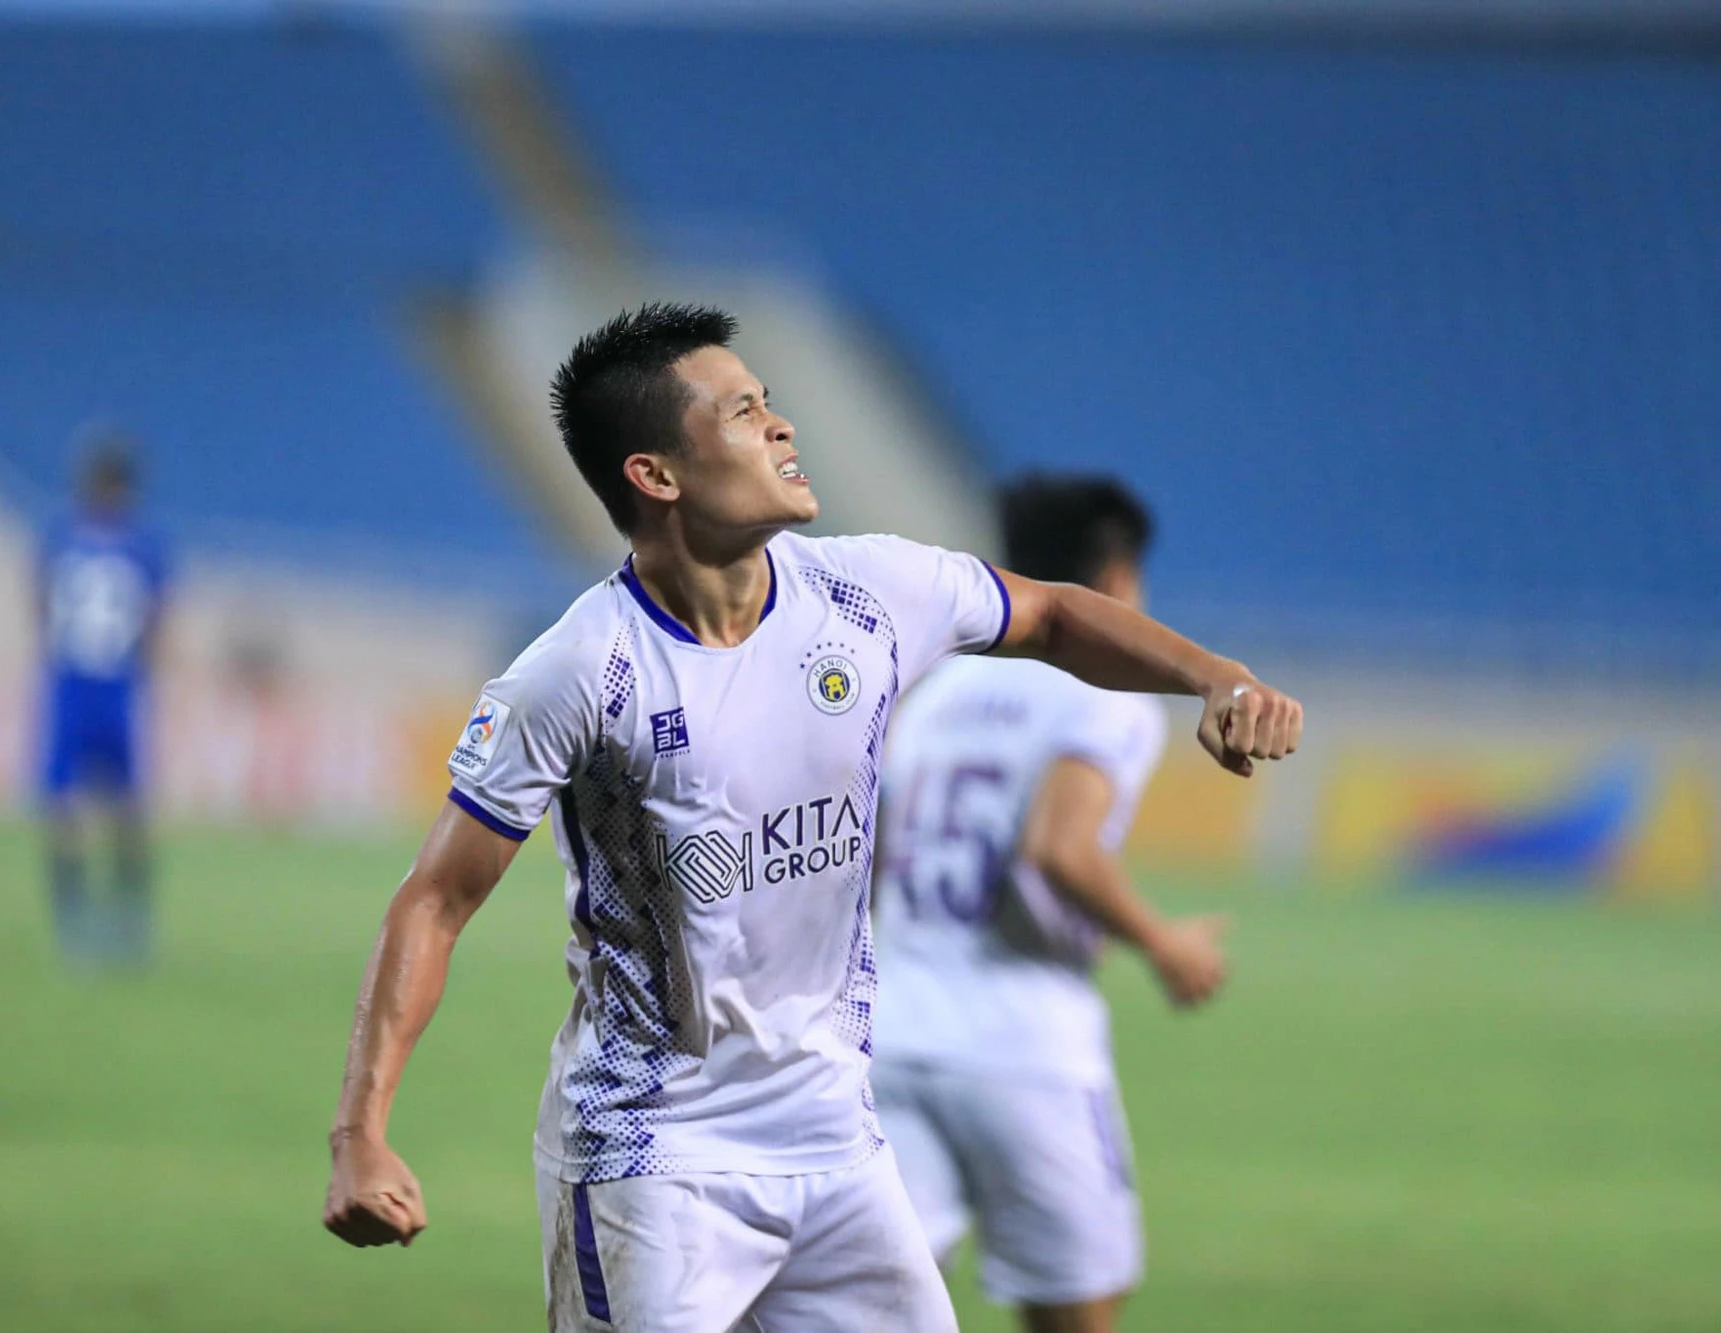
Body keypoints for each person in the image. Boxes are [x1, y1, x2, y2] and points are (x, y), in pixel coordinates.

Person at [320, 305, 1301, 1333]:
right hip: (658, 1157)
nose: (780, 427)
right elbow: (433, 901)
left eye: (772, 403)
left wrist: (1214, 678)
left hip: (837, 1138)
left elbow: (1052, 614)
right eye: (743, 412)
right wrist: (360, 1133)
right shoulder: (575, 674)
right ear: (655, 475)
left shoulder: (868, 590)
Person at [870, 476, 1221, 1333]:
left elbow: (873, 855)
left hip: (892, 1038)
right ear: (1119, 581)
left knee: (868, 1309)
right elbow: (1059, 847)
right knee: (1074, 1312)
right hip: (1027, 1047)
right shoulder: (1109, 694)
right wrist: (1161, 940)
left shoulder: (934, 691)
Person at [34, 433, 170, 964]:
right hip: (118, 686)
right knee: (127, 810)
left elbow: (41, 605)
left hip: (70, 683)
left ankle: (74, 927)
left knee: (65, 808)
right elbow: (157, 619)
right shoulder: (144, 545)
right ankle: (127, 924)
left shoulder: (61, 537)